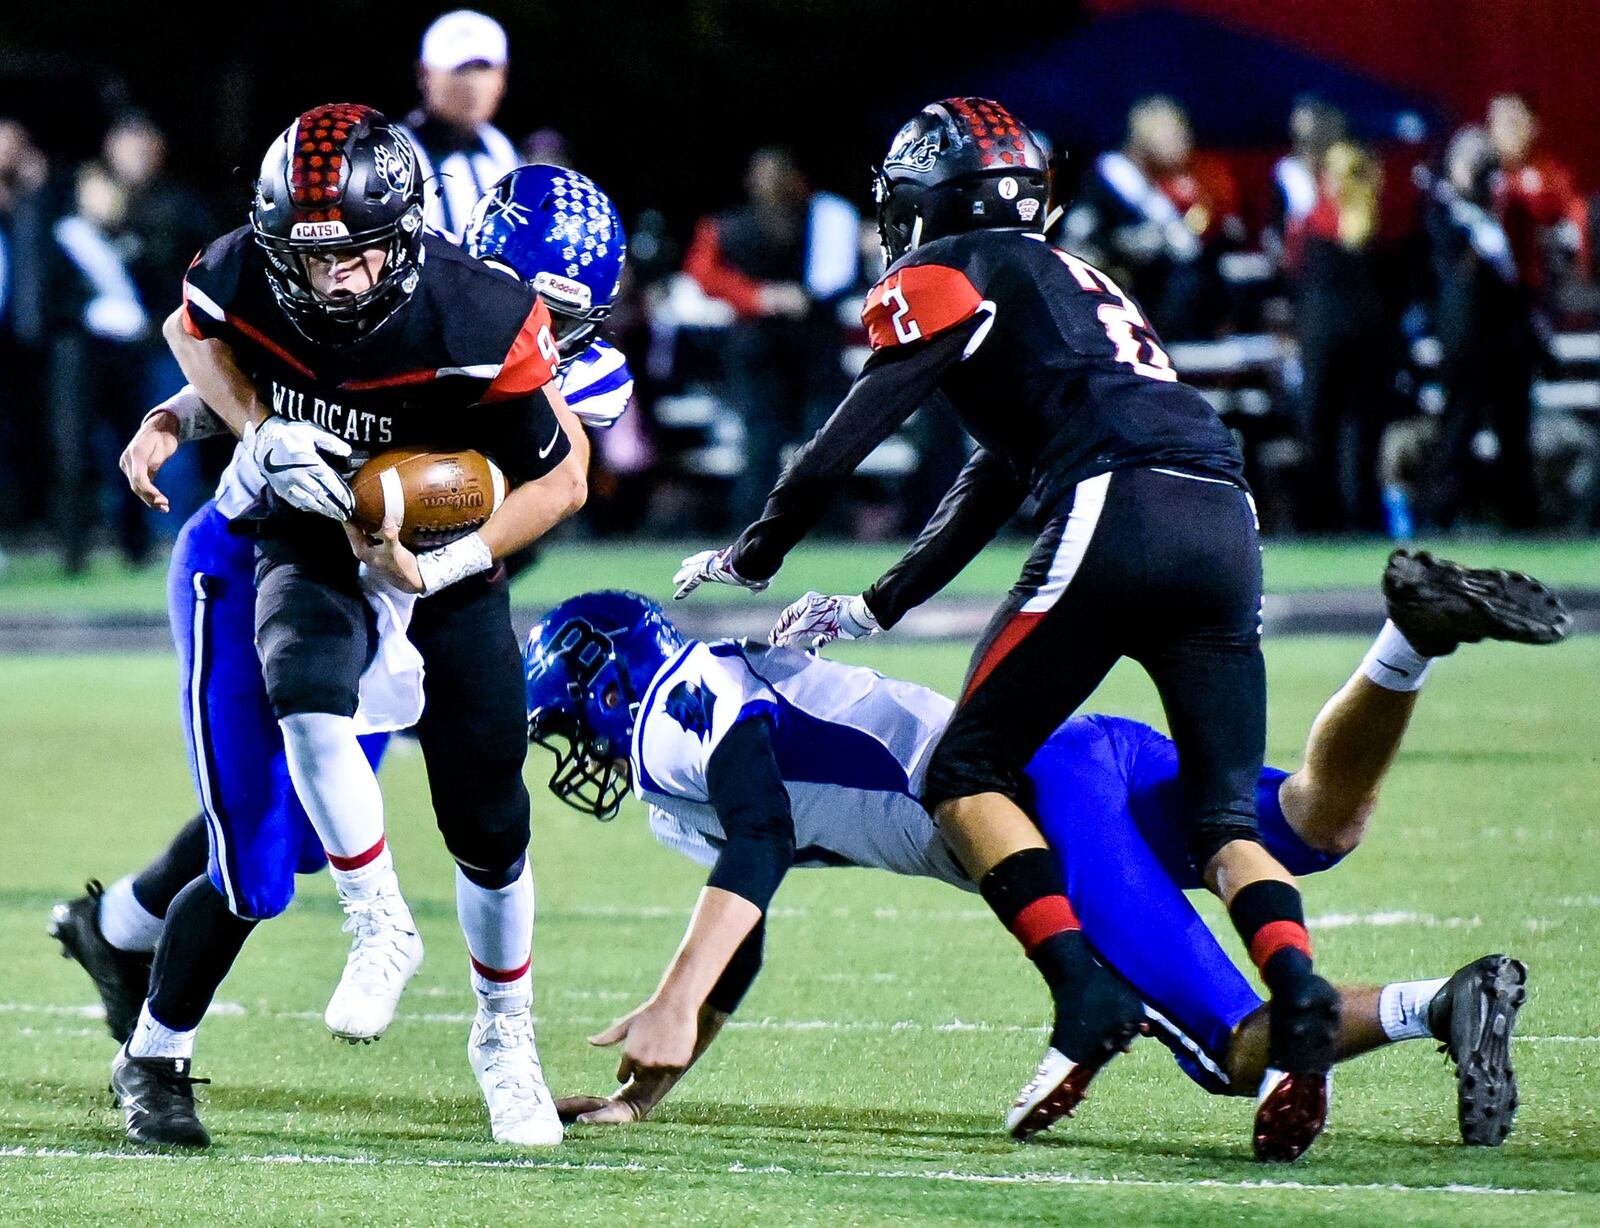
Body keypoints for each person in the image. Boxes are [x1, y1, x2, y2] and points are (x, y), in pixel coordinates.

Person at [674, 96, 1361, 1144]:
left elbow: (857, 423)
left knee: (962, 771)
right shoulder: (1070, 282)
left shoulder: (953, 269)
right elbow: (996, 473)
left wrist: (757, 547)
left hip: (1119, 503)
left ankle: (1081, 993)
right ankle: (1296, 983)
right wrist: (876, 601)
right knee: (1224, 818)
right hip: (1224, 513)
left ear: (932, 200)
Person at [524, 551, 1565, 1158]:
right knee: (1311, 821)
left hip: (1051, 819)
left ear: (604, 688)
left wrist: (670, 994)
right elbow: (744, 916)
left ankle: (1440, 999)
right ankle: (1410, 641)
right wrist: (648, 1088)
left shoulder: (673, 715)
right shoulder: (713, 698)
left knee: (1235, 1049)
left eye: (567, 723)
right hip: (1081, 756)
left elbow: (754, 831)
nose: (574, 750)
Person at [55, 161, 634, 1117]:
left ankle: (120, 927)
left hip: (418, 587)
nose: (541, 332)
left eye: (563, 321)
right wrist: (182, 415)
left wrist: (435, 565)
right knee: (262, 847)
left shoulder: (526, 355)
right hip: (278, 552)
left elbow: (551, 478)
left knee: (367, 829)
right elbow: (269, 376)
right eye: (527, 303)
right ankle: (163, 1033)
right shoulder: (400, 298)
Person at [681, 147, 860, 528]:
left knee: (805, 437)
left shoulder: (817, 219)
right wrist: (758, 297)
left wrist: (754, 297)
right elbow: (702, 271)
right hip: (772, 345)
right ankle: (776, 526)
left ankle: (783, 527)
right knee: (777, 441)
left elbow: (702, 272)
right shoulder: (733, 224)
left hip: (802, 345)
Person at [1059, 95, 1240, 338]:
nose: (1184, 141)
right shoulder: (1109, 181)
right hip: (1120, 316)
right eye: (1172, 133)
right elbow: (1077, 248)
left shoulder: (1169, 187)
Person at [400, 9, 519, 241]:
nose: (473, 84)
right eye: (461, 70)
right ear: (424, 74)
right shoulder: (396, 153)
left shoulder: (501, 149)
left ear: (503, 77)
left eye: (483, 69)